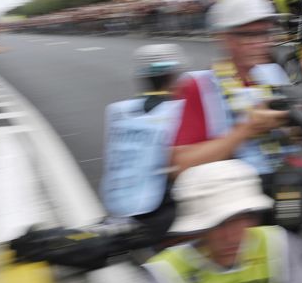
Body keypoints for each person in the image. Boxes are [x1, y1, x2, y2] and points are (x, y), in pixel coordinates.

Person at [10, 44, 190, 269]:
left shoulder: (121, 111)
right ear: (176, 75)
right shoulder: (180, 111)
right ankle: (48, 243)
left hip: (119, 204)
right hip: (155, 212)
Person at [170, 0, 302, 232]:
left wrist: (295, 129)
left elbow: (290, 140)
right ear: (224, 38)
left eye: (266, 33)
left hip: (282, 191)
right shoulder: (198, 86)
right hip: (231, 207)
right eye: (250, 35)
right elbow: (181, 166)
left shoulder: (272, 74)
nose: (263, 42)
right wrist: (246, 129)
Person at [143, 159, 302, 283]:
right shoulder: (165, 274)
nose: (232, 237)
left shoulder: (279, 244)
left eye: (241, 220)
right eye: (219, 224)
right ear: (197, 230)